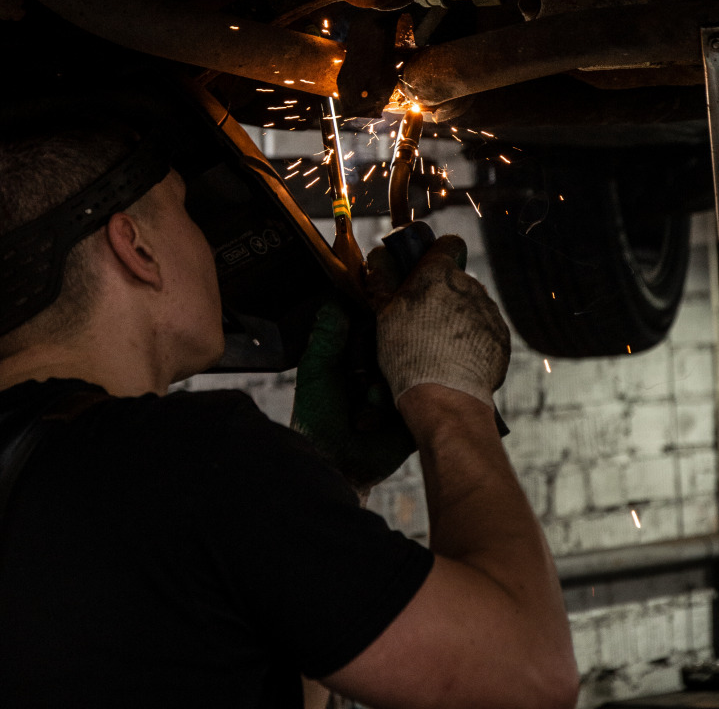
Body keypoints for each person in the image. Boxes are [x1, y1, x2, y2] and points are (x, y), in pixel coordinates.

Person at [0, 115, 579, 709]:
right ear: (136, 247)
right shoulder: (188, 461)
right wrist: (451, 400)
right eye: (188, 213)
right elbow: (529, 677)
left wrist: (331, 475)